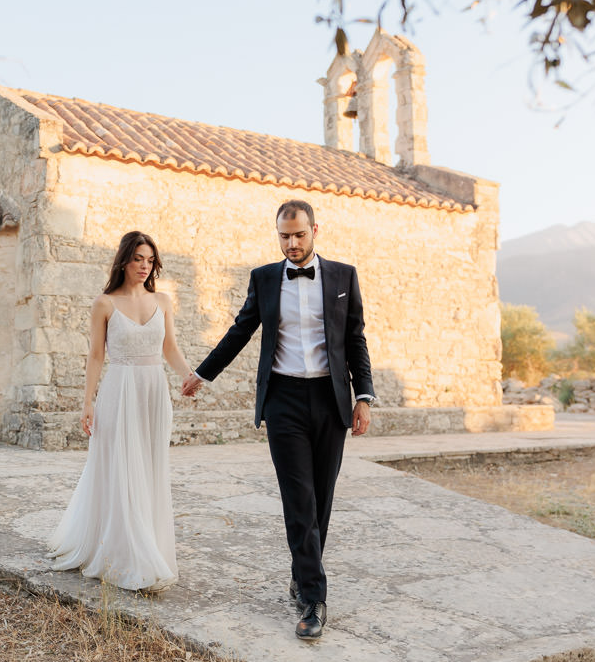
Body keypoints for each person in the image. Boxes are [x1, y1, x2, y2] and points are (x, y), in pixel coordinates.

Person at [182, 200, 375, 639]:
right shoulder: (264, 278)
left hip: (330, 399)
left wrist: (363, 396)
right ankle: (313, 598)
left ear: (314, 231)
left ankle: (301, 571)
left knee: (321, 499)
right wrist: (202, 373)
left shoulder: (343, 276)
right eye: (284, 236)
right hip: (283, 399)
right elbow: (240, 330)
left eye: (299, 235)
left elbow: (355, 338)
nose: (291, 244)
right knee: (299, 501)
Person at [47, 231, 193, 593]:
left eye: (150, 260)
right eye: (138, 259)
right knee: (121, 469)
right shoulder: (104, 304)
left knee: (149, 467)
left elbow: (170, 348)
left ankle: (149, 544)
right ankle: (126, 552)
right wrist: (87, 402)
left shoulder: (163, 301)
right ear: (124, 260)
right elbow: (96, 355)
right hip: (119, 390)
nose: (144, 266)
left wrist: (190, 375)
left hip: (153, 391)